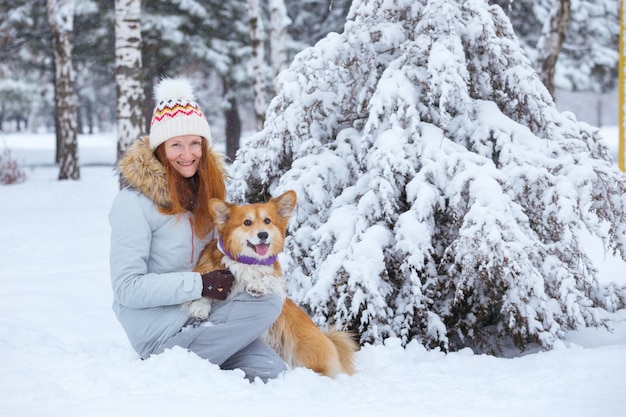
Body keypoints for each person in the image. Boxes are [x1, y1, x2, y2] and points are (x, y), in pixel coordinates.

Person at [108, 77, 287, 382]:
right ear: (160, 149)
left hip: (206, 315)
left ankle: (202, 361)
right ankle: (164, 368)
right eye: (175, 144)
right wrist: (199, 284)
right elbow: (127, 289)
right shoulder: (132, 203)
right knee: (267, 304)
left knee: (272, 373)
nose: (187, 154)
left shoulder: (206, 197)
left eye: (194, 143)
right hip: (158, 329)